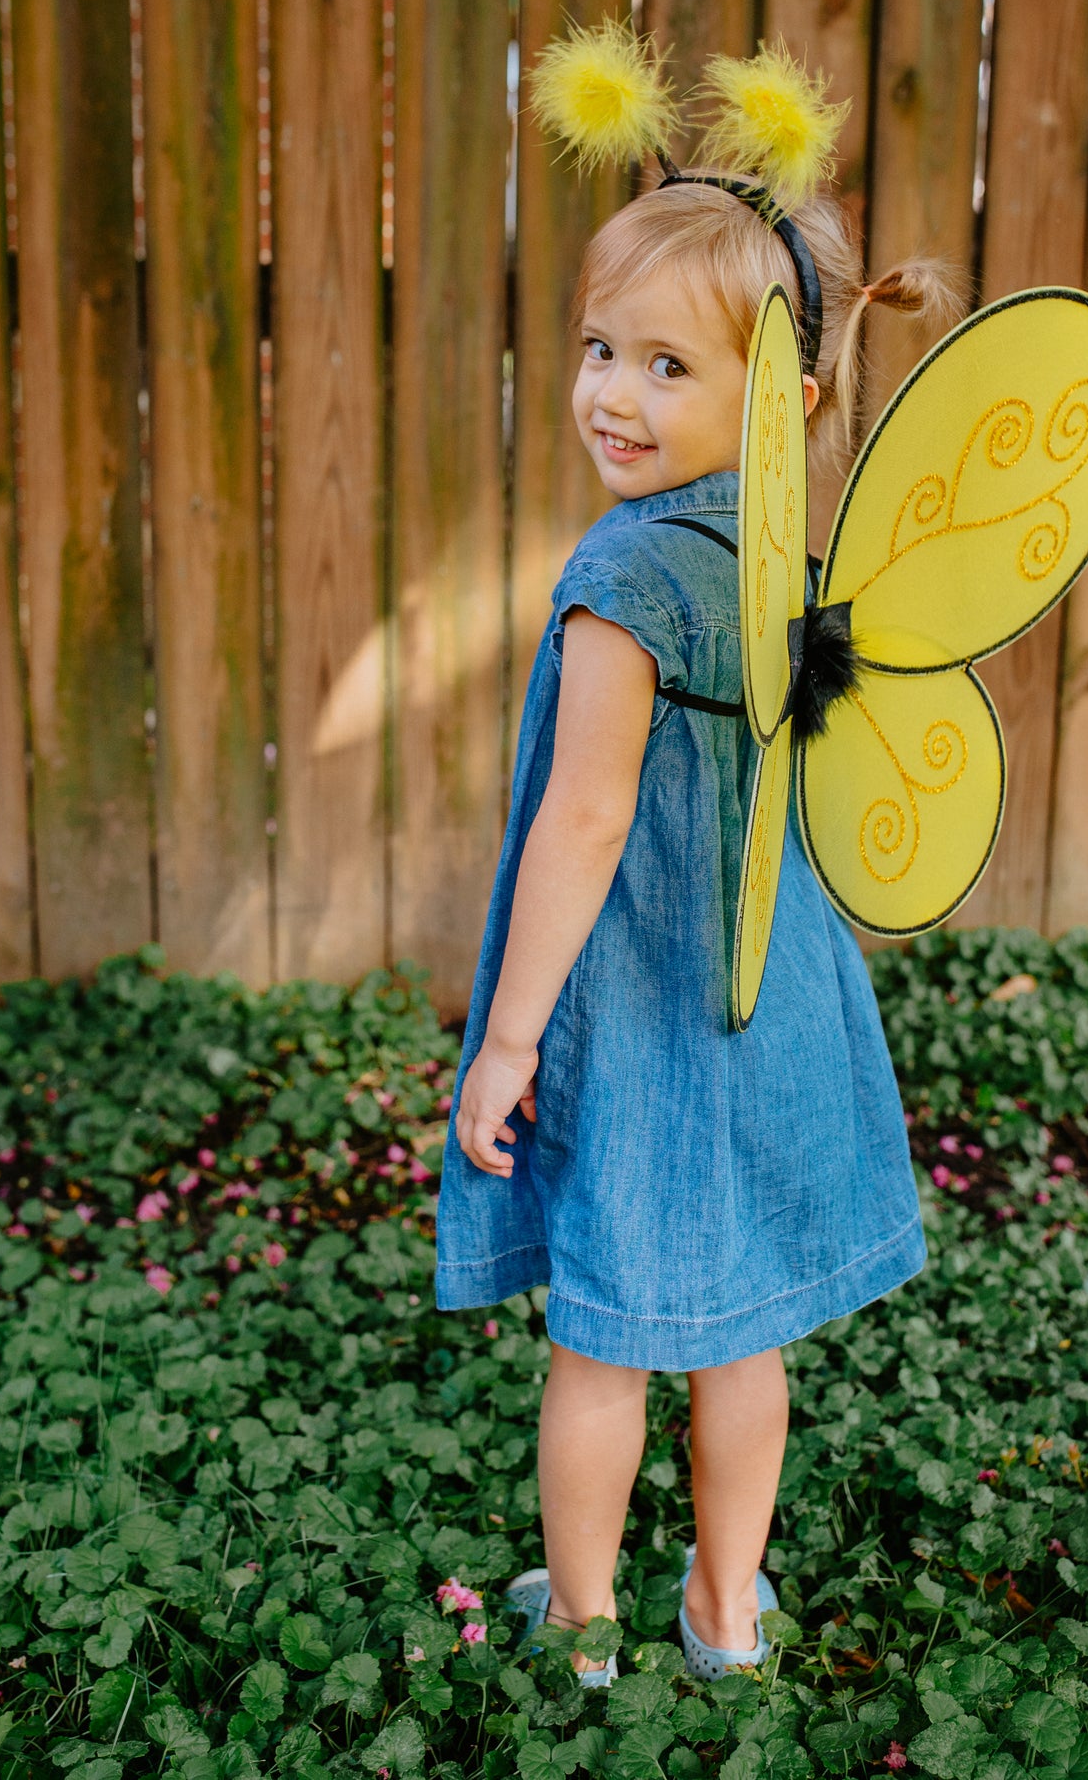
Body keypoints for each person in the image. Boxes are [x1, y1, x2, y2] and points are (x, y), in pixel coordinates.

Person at [435, 126, 960, 1683]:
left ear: (786, 399)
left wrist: (509, 1038)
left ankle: (586, 1634)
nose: (611, 392)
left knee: (600, 1341)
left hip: (648, 1019)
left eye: (667, 366)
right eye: (601, 348)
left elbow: (585, 822)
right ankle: (725, 1617)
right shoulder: (800, 574)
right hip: (777, 1001)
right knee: (741, 1338)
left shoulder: (627, 582)